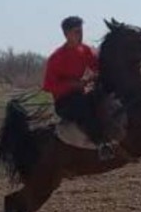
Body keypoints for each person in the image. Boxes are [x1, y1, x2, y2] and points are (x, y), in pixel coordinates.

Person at [43, 16, 114, 160]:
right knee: (84, 105)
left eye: (81, 31)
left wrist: (96, 75)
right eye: (76, 32)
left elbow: (97, 67)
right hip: (64, 102)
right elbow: (48, 85)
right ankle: (101, 144)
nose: (80, 35)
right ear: (66, 34)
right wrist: (73, 84)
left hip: (81, 94)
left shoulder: (85, 50)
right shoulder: (56, 58)